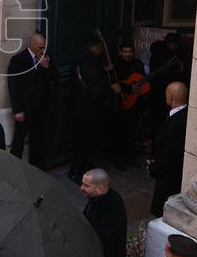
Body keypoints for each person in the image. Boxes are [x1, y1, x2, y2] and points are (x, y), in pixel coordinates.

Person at [69, 33, 120, 183]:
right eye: (101, 48)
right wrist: (112, 90)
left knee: (82, 139)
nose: (102, 51)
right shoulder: (91, 63)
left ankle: (82, 164)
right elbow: (96, 90)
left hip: (78, 106)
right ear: (97, 47)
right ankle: (76, 170)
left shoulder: (80, 57)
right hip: (87, 109)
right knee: (82, 140)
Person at [7, 33, 58, 169]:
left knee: (38, 138)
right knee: (19, 139)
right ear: (32, 45)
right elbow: (13, 86)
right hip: (24, 108)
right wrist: (17, 110)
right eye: (40, 47)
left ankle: (37, 166)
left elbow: (56, 78)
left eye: (44, 47)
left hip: (41, 107)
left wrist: (47, 67)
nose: (43, 50)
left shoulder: (46, 58)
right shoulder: (18, 60)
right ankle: (14, 167)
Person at [148, 82, 189, 217]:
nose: (165, 96)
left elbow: (169, 154)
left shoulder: (175, 124)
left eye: (166, 94)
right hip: (174, 173)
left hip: (169, 177)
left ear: (172, 98)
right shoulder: (186, 114)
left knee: (163, 210)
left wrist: (153, 168)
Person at [112, 43, 147, 170]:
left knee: (132, 131)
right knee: (120, 132)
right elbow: (112, 82)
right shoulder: (115, 65)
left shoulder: (138, 64)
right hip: (121, 103)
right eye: (125, 51)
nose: (128, 54)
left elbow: (142, 80)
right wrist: (128, 88)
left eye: (130, 51)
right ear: (120, 52)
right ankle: (118, 159)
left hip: (135, 103)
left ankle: (130, 157)